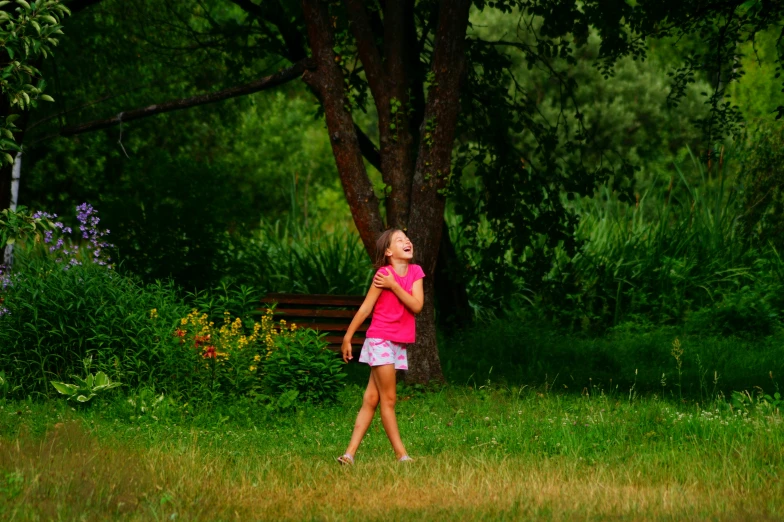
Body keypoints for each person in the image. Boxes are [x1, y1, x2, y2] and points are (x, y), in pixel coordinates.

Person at [336, 229, 425, 465]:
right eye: (399, 240)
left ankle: (349, 454)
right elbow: (366, 309)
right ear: (388, 251)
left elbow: (417, 306)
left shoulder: (415, 273)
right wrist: (348, 337)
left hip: (398, 342)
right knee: (389, 399)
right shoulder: (382, 274)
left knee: (372, 399)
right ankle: (401, 455)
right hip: (380, 340)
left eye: (408, 238)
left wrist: (394, 285)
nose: (407, 241)